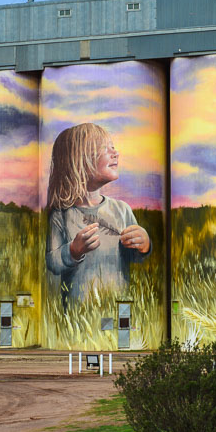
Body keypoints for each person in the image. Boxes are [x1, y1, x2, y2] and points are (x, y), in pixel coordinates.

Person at [45, 123, 150, 303]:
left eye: (113, 148)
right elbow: (52, 263)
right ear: (78, 161)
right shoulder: (61, 215)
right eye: (104, 149)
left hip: (118, 308)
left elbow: (135, 258)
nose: (115, 153)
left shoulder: (121, 209)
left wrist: (144, 245)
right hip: (78, 317)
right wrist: (73, 250)